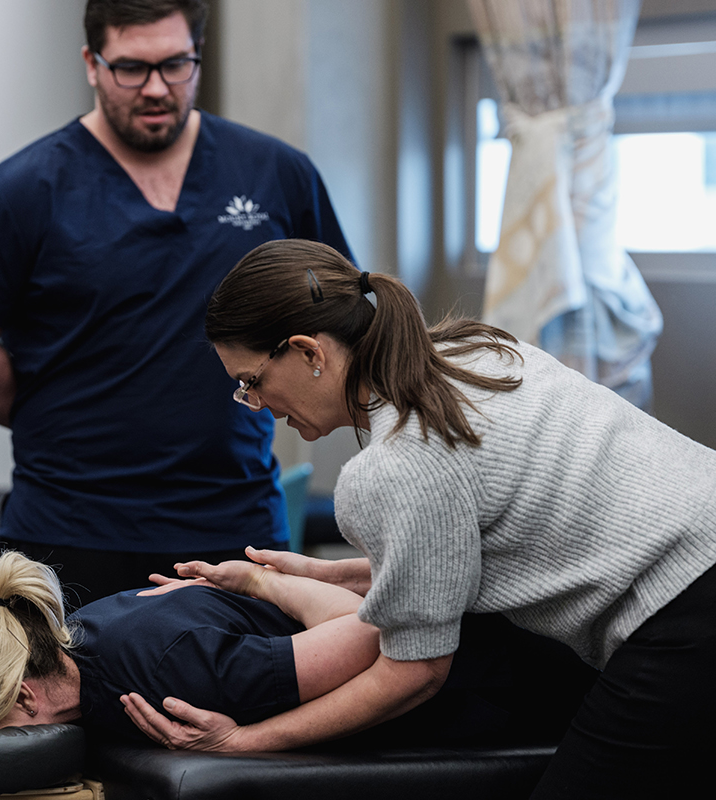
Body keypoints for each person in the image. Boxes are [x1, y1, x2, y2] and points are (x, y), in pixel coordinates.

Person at [119, 238, 716, 798]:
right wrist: (323, 575)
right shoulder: (477, 351)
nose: (259, 407)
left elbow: (415, 675)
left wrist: (242, 742)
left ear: (308, 351)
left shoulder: (396, 462)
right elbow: (458, 545)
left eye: (252, 382)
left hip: (687, 609)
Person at [0, 0, 351, 604]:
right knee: (67, 698)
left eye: (176, 65)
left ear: (198, 57)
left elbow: (337, 313)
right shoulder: (21, 188)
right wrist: (56, 413)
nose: (155, 88)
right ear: (92, 63)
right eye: (130, 68)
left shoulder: (275, 173)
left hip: (233, 521)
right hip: (69, 527)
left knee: (230, 699)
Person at [0, 550, 592, 749]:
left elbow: (375, 627)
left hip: (516, 685)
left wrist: (265, 580)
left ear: (22, 697)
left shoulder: (175, 673)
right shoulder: (89, 635)